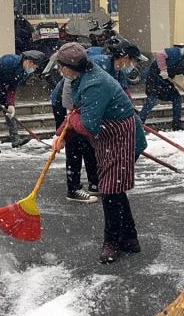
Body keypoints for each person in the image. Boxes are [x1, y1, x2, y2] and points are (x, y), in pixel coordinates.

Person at [52, 43, 148, 264]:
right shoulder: (80, 78)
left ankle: (112, 242)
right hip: (109, 135)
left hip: (121, 136)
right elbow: (77, 112)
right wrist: (62, 135)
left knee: (110, 190)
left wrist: (72, 122)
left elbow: (88, 126)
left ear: (69, 67)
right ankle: (130, 239)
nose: (59, 70)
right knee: (114, 189)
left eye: (61, 66)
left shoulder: (94, 83)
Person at [49, 36, 148, 203]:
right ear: (125, 57)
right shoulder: (93, 68)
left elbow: (120, 90)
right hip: (73, 107)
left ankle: (95, 184)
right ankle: (76, 187)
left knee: (113, 189)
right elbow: (74, 101)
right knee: (78, 146)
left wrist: (128, 106)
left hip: (116, 131)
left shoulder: (101, 74)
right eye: (133, 61)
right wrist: (63, 132)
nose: (133, 65)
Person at [0, 50, 46, 152]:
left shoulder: (23, 72)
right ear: (29, 62)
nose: (34, 69)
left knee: (10, 113)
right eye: (34, 67)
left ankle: (15, 140)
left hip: (1, 87)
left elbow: (12, 87)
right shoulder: (10, 60)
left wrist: (10, 104)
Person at [139, 43, 184, 130]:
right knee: (152, 100)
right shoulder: (176, 52)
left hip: (166, 80)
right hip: (155, 77)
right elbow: (160, 54)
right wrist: (163, 70)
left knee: (177, 98)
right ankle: (139, 124)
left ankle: (176, 125)